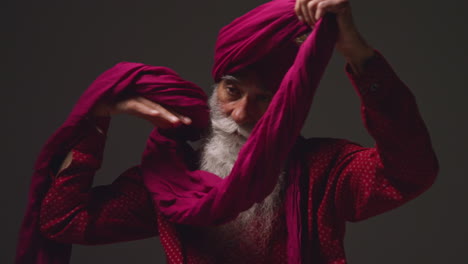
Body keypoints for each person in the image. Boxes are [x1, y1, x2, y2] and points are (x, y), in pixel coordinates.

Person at [16, 0, 438, 263]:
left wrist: (358, 55)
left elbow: (410, 172)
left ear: (290, 108)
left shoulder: (324, 171)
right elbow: (64, 220)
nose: (238, 114)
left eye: (265, 100)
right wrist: (96, 121)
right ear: (215, 87)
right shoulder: (170, 181)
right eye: (231, 91)